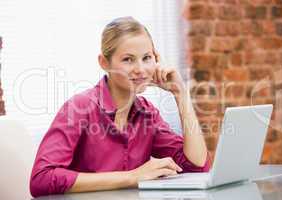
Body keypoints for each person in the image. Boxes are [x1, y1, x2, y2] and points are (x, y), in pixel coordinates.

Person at [30, 16, 210, 197]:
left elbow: (197, 167)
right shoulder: (79, 107)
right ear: (104, 62)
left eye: (146, 58)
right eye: (128, 60)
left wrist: (181, 94)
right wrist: (131, 177)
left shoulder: (148, 114)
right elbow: (42, 179)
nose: (140, 69)